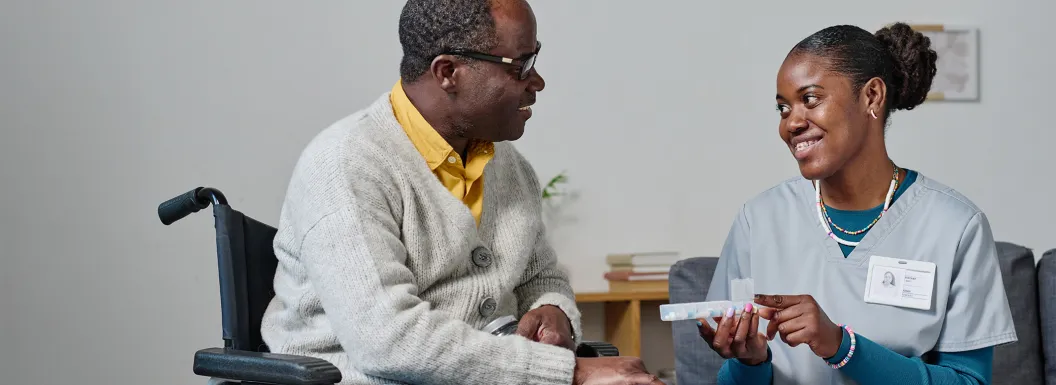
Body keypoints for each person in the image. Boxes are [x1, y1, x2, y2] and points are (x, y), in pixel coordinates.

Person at [260, 1, 660, 384]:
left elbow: (541, 276)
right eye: (521, 65)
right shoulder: (345, 165)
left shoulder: (509, 166)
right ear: (448, 72)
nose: (537, 82)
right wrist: (570, 373)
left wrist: (552, 309)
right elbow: (388, 341)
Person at [695, 23, 1017, 385]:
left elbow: (968, 381)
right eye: (783, 108)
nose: (791, 123)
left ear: (872, 96)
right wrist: (751, 363)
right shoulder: (758, 219)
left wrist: (841, 346)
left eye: (810, 99)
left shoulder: (955, 226)